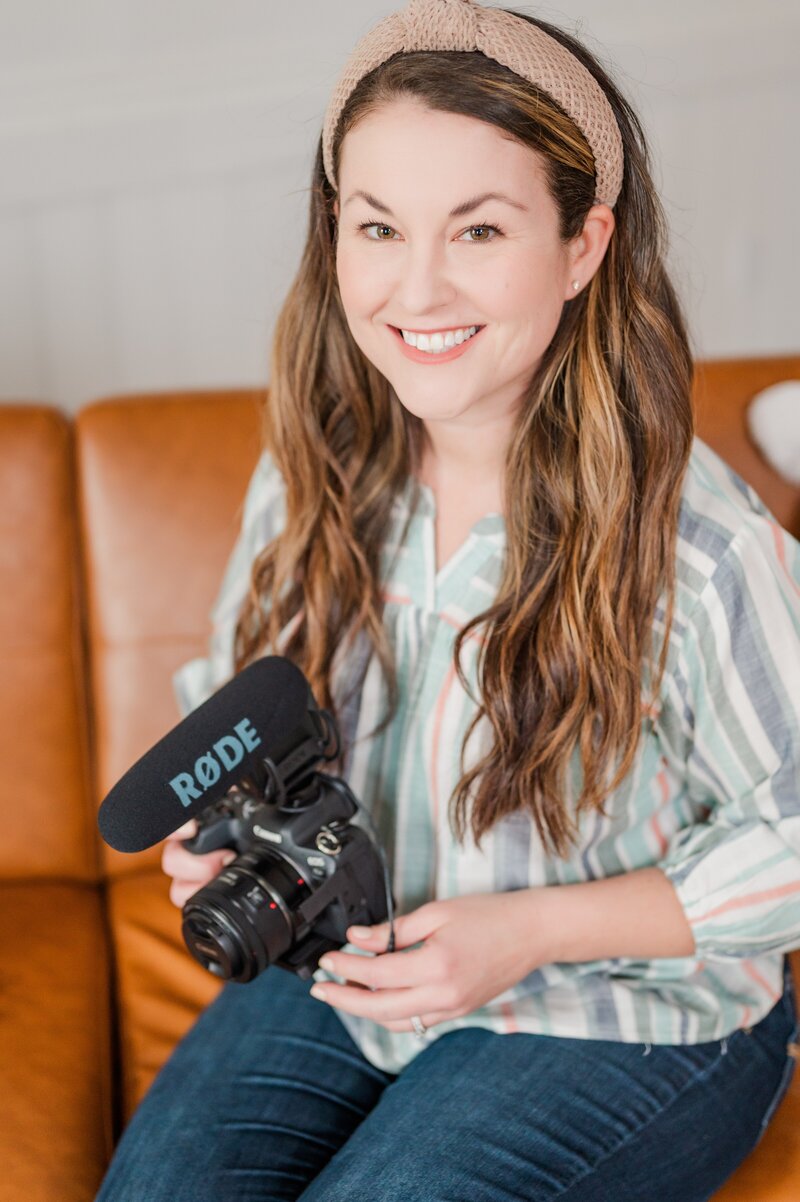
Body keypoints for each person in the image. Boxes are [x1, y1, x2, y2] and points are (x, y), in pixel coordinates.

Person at [95, 2, 800, 1199]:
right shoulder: (311, 473)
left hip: (619, 1007)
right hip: (348, 969)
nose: (414, 287)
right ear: (335, 236)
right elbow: (244, 707)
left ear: (582, 244)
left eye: (477, 229)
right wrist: (216, 839)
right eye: (377, 226)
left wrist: (523, 931)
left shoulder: (698, 541)